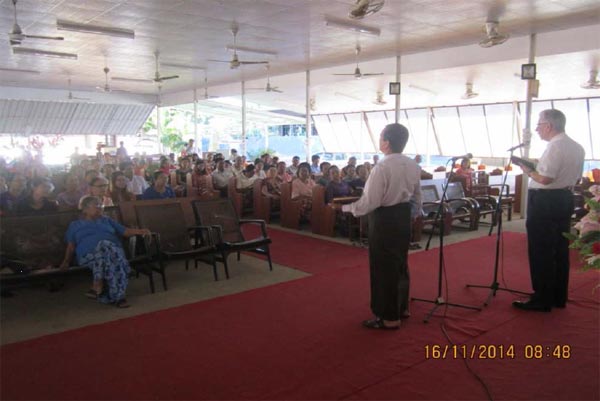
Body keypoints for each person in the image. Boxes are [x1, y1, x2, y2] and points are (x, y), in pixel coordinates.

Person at [339, 123, 421, 330]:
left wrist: (347, 209)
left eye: (381, 137)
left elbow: (370, 202)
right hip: (403, 216)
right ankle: (402, 307)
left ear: (386, 143)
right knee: (400, 263)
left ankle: (388, 316)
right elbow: (417, 198)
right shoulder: (413, 165)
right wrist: (409, 216)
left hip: (384, 219)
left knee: (383, 267)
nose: (379, 140)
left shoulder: (382, 167)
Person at [512, 109, 585, 312]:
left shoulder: (555, 147)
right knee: (560, 249)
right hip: (564, 198)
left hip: (545, 201)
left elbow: (545, 179)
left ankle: (542, 298)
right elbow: (573, 177)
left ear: (549, 126)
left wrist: (528, 170)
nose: (536, 129)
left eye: (539, 124)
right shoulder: (577, 147)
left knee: (541, 249)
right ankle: (557, 296)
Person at [60, 195, 150, 308]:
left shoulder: (107, 220)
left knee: (107, 250)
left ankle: (97, 284)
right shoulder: (75, 225)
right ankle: (119, 298)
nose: (100, 208)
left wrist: (140, 231)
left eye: (101, 205)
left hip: (113, 253)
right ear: (85, 209)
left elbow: (125, 231)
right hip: (89, 256)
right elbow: (71, 246)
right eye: (96, 205)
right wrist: (66, 261)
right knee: (107, 249)